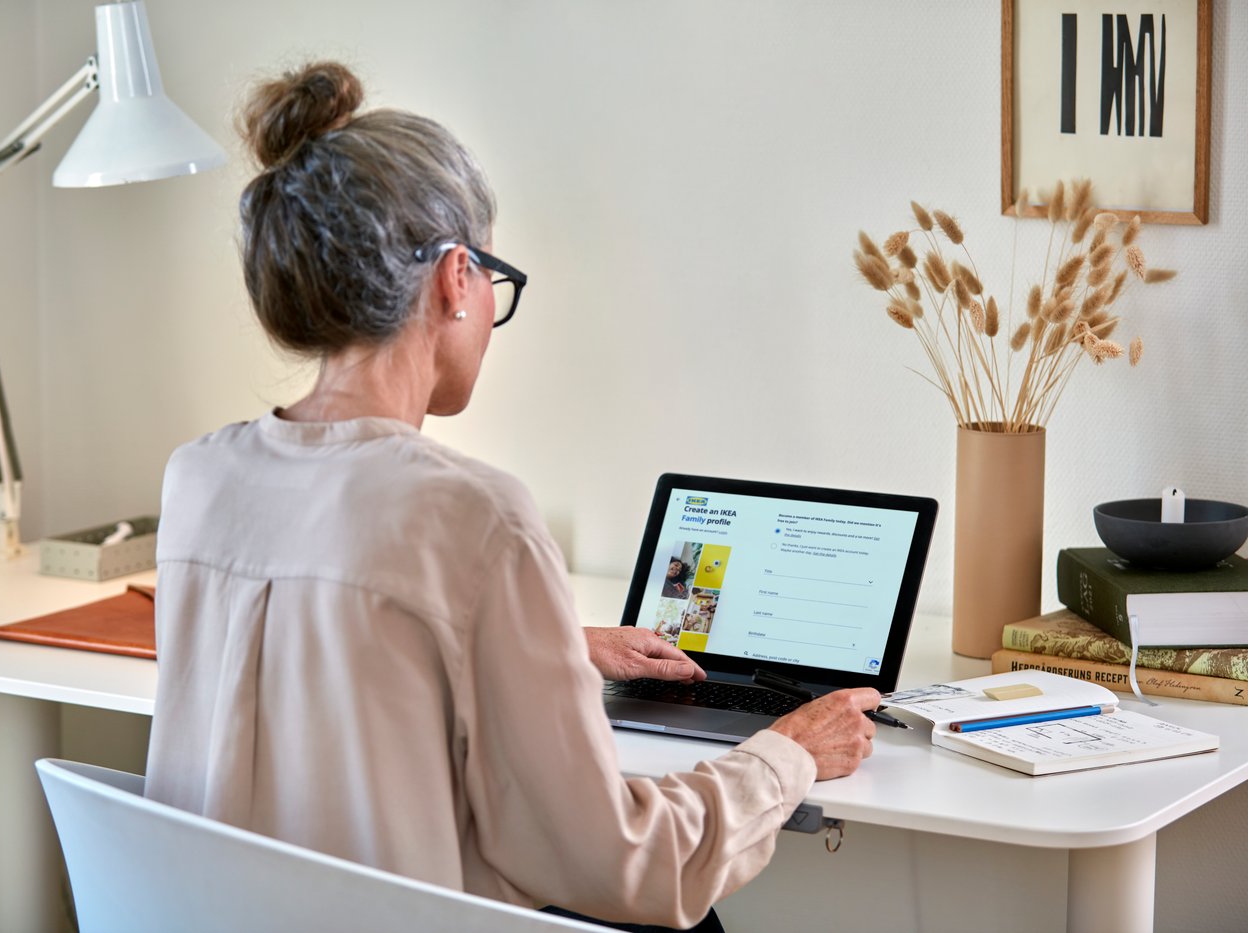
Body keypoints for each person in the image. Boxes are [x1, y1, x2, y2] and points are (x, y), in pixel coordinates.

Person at [143, 61, 880, 932]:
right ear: (456, 277)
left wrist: (550, 644)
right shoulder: (474, 516)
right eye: (492, 277)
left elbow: (341, 649)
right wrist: (784, 756)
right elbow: (623, 864)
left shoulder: (200, 476)